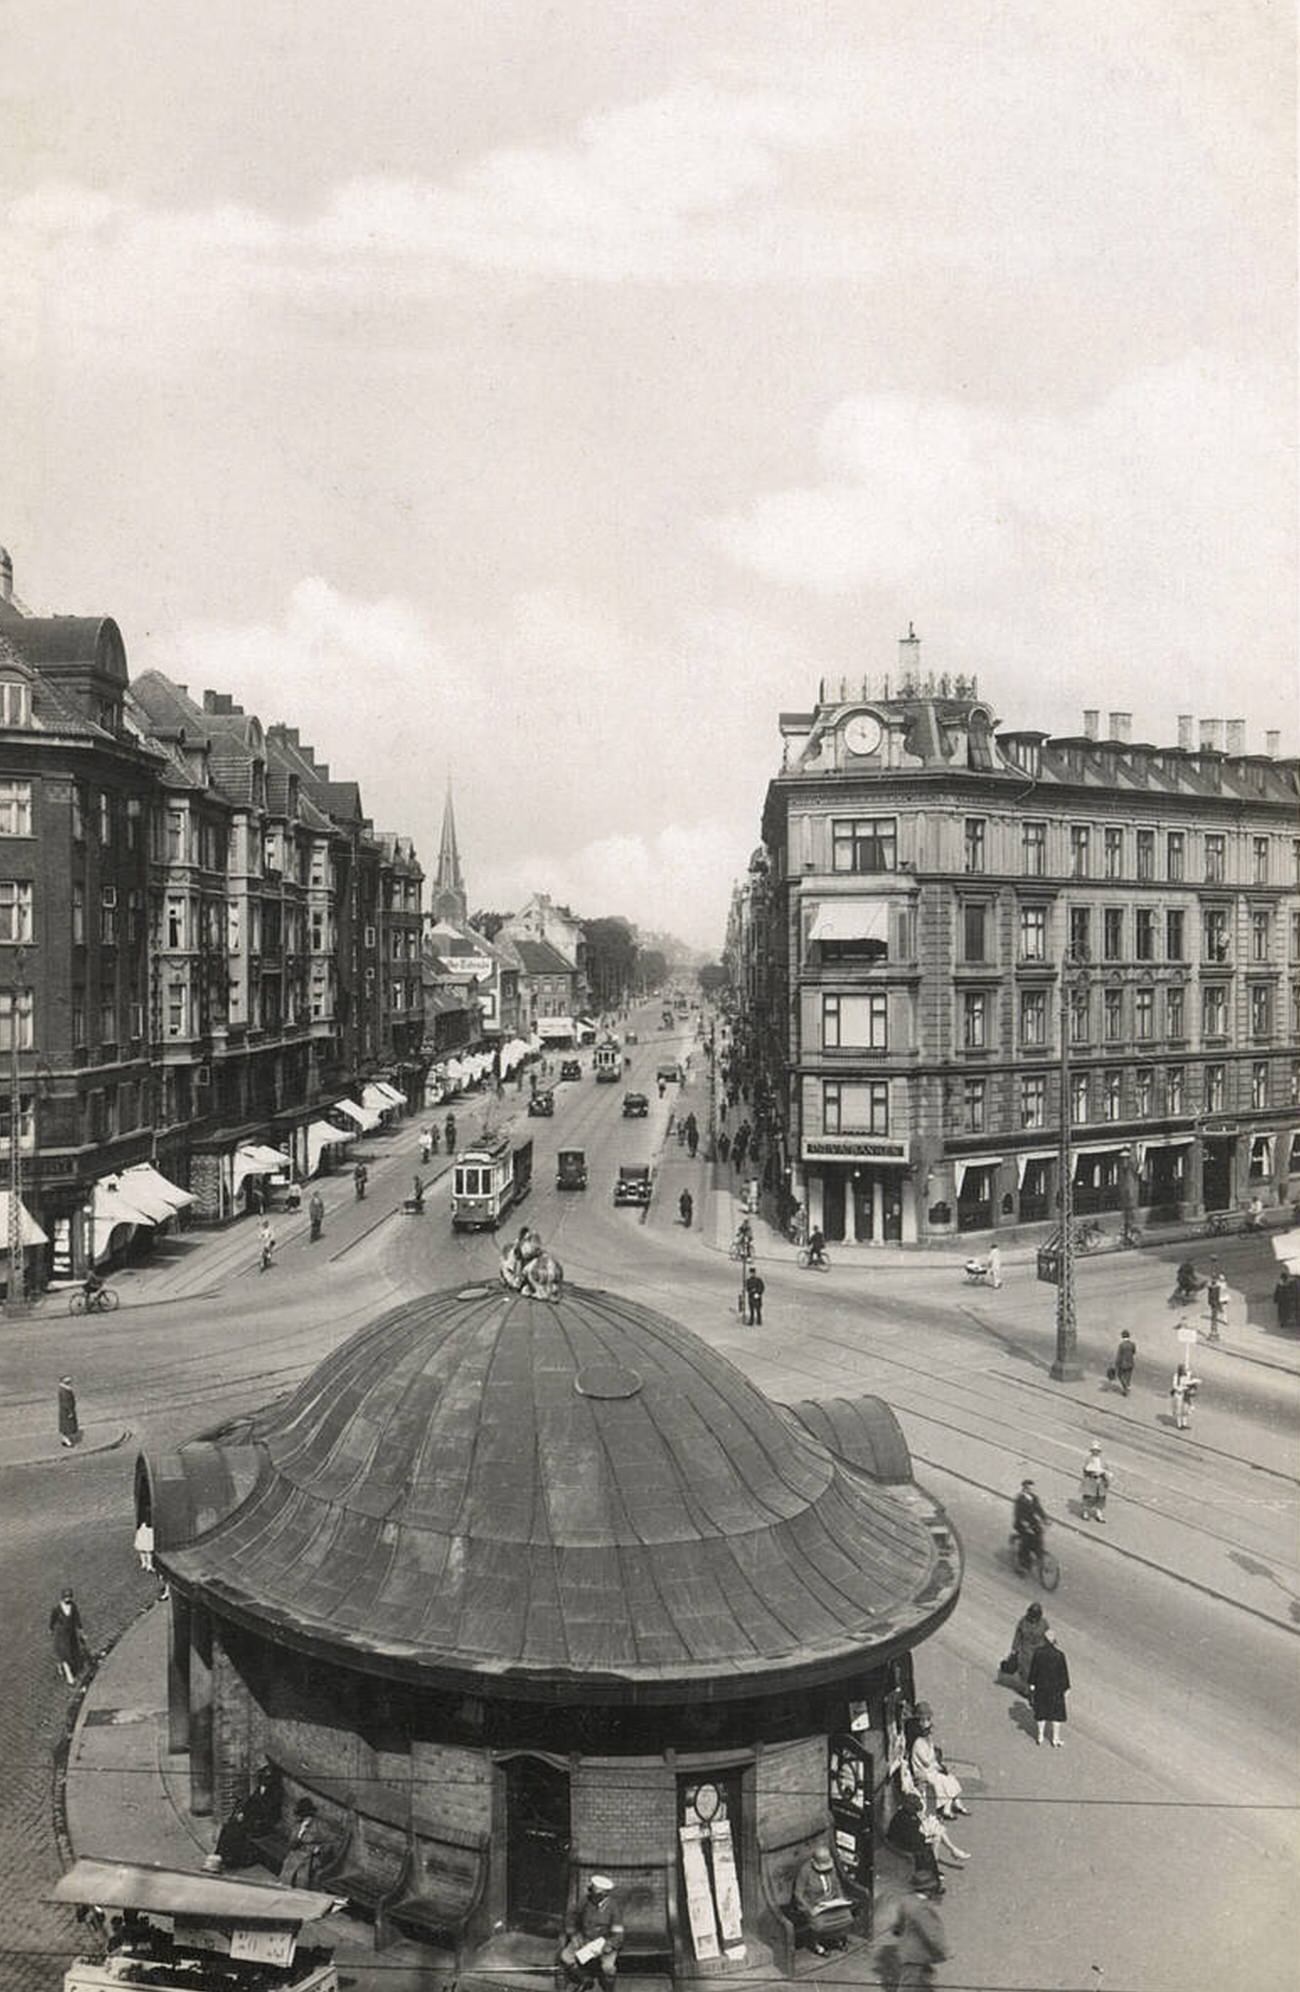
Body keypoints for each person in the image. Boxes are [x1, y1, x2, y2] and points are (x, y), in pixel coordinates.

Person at [558, 1873, 623, 1988]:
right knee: (566, 1957)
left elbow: (618, 1935)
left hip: (604, 1942)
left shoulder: (614, 1908)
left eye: (595, 1893)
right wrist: (573, 1934)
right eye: (591, 1891)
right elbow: (571, 1917)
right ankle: (584, 1979)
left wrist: (608, 1946)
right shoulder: (585, 1901)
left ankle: (609, 1989)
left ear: (604, 1894)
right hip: (585, 1938)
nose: (591, 1895)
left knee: (608, 1968)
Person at [908, 1706, 968, 1820]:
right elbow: (926, 1761)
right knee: (943, 1781)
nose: (931, 1735)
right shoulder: (918, 1743)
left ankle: (953, 1805)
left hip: (930, 1771)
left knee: (950, 1778)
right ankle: (947, 1809)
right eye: (929, 1732)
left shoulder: (928, 1742)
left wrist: (939, 1766)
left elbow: (933, 1760)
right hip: (922, 1773)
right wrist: (935, 1763)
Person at [791, 1845, 852, 1955]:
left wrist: (841, 1899)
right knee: (819, 1924)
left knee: (847, 1917)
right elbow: (798, 1894)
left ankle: (836, 1938)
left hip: (831, 1902)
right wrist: (809, 1909)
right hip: (815, 1905)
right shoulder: (805, 1871)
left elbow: (837, 1884)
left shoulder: (831, 1867)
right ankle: (817, 1944)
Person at [888, 1882, 949, 1987]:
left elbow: (897, 1927)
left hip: (908, 1953)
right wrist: (942, 1950)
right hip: (916, 1956)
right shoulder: (922, 1908)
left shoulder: (906, 1901)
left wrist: (897, 1929)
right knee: (909, 1987)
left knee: (917, 1984)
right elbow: (930, 1932)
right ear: (928, 1891)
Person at [1028, 1628, 1070, 1746]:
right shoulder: (1059, 1655)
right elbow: (1063, 1673)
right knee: (1056, 1715)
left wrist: (1032, 1684)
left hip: (1041, 1687)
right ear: (1054, 1640)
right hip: (1056, 1689)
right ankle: (1055, 1739)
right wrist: (1066, 1687)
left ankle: (1040, 1736)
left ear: (1044, 1640)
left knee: (1041, 1712)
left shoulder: (1038, 1653)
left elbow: (1034, 1670)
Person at [278, 1798, 332, 1887]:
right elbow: (291, 1844)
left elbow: (330, 1843)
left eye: (308, 1816)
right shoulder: (298, 1825)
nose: (307, 1819)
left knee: (302, 1877)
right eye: (304, 1816)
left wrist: (320, 1849)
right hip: (296, 1855)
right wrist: (300, 1833)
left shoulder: (320, 1826)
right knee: (287, 1872)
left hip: (311, 1857)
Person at [1004, 1600, 1048, 1695]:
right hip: (1026, 1653)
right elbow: (1018, 1636)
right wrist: (1014, 1649)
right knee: (1026, 1672)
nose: (1033, 1618)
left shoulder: (1044, 1623)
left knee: (1039, 1673)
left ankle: (1036, 1690)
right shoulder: (1023, 1622)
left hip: (1039, 1652)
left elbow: (1048, 1636)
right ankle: (1028, 1690)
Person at [50, 1587, 90, 1685]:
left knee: (72, 1652)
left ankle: (62, 1665)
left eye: (69, 1597)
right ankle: (70, 1678)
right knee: (65, 1654)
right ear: (62, 1598)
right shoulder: (57, 1609)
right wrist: (51, 1629)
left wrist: (81, 1630)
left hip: (71, 1634)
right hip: (61, 1635)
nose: (68, 1599)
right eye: (66, 1597)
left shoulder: (73, 1606)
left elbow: (77, 1618)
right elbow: (52, 1620)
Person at [1012, 1478, 1047, 1574]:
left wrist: (1045, 1519)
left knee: (1039, 1534)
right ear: (1024, 1488)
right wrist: (1024, 1523)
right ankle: (1023, 1565)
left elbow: (1039, 1509)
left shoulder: (1034, 1498)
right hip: (1021, 1523)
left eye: (1032, 1488)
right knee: (1026, 1542)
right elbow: (1018, 1513)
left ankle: (1039, 1554)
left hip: (1032, 1522)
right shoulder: (1020, 1499)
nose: (1031, 1490)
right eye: (1029, 1488)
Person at [1080, 1440, 1111, 1522]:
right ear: (1092, 1451)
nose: (1095, 1452)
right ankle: (1085, 1513)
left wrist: (1106, 1476)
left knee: (1101, 1498)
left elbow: (1107, 1469)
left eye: (1097, 1451)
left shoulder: (1103, 1460)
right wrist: (1092, 1472)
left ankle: (1099, 1514)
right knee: (1089, 1497)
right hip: (1091, 1480)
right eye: (1094, 1450)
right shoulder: (1089, 1459)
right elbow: (1085, 1469)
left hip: (1100, 1481)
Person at [1170, 1361, 1201, 1431]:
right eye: (1184, 1370)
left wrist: (1194, 1380)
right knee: (1179, 1410)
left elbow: (1188, 1381)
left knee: (1185, 1410)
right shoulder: (1176, 1376)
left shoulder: (1186, 1375)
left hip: (1184, 1395)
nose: (1185, 1371)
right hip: (1178, 1395)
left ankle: (1184, 1424)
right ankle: (1179, 1425)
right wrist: (1180, 1388)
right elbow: (1175, 1386)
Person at [1273, 1266, 1299, 1331]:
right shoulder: (1288, 1284)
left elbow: (1277, 1292)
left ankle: (1283, 1321)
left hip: (1284, 1301)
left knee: (1283, 1311)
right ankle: (1284, 1321)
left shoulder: (1282, 1284)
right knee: (1285, 1311)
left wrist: (1275, 1299)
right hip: (1285, 1300)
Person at [58, 1375, 81, 1449]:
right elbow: (66, 1402)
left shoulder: (65, 1389)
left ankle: (65, 1439)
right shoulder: (64, 1391)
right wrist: (70, 1412)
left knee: (67, 1426)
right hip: (66, 1411)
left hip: (65, 1410)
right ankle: (67, 1440)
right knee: (68, 1426)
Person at [1113, 1329, 1136, 1396]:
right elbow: (1134, 1352)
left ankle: (1125, 1387)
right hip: (1131, 1363)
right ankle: (1127, 1387)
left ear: (1122, 1336)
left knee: (1120, 1375)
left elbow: (1119, 1355)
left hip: (1123, 1363)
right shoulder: (1132, 1344)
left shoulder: (1121, 1345)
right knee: (1128, 1376)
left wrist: (1116, 1363)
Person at [1206, 1270, 1226, 1343]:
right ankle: (1214, 1332)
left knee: (1214, 1318)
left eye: (1214, 1279)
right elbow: (1211, 1294)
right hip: (1214, 1303)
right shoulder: (1215, 1287)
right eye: (1213, 1279)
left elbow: (1215, 1294)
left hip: (1214, 1303)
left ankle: (1214, 1332)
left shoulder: (1215, 1287)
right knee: (1214, 1318)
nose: (1213, 1280)